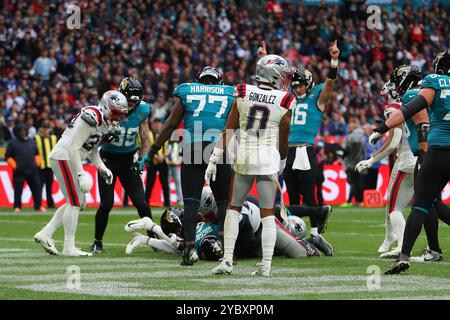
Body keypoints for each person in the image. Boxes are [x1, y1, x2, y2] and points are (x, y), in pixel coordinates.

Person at [205, 54, 294, 276]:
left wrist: (214, 158)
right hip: (267, 159)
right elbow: (284, 137)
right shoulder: (285, 100)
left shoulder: (243, 92)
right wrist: (282, 160)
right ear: (273, 74)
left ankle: (227, 260)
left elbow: (229, 129)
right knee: (267, 215)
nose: (284, 78)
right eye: (282, 74)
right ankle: (266, 265)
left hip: (244, 157)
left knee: (233, 209)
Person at [139, 66, 235, 266]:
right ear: (219, 82)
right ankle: (226, 249)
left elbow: (171, 124)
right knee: (224, 203)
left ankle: (190, 250)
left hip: (193, 147)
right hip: (218, 148)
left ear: (199, 81)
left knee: (191, 203)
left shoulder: (188, 90)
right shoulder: (229, 93)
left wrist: (152, 151)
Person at [369, 49, 450, 274]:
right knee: (434, 203)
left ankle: (404, 255)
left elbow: (412, 110)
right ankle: (432, 249)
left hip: (438, 151)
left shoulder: (434, 82)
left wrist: (382, 128)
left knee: (421, 205)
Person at [34, 90, 128, 256]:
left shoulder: (104, 123)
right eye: (115, 113)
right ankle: (69, 247)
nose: (118, 118)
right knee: (76, 202)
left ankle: (45, 233)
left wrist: (102, 168)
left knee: (77, 201)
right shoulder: (92, 116)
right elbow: (73, 147)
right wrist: (81, 174)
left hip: (68, 158)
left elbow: (91, 150)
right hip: (64, 157)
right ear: (106, 107)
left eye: (121, 114)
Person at [281, 41, 339, 231]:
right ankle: (295, 231)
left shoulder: (317, 97)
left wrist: (334, 61)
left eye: (300, 86)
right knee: (292, 194)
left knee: (309, 194)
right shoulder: (288, 97)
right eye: (295, 86)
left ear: (309, 84)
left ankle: (315, 232)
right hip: (288, 151)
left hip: (305, 150)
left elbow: (330, 83)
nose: (297, 89)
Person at [91, 77, 153, 253]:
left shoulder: (143, 110)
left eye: (136, 100)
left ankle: (154, 239)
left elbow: (146, 139)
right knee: (107, 202)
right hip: (107, 160)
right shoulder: (109, 104)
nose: (132, 104)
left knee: (141, 203)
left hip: (128, 161)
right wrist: (104, 136)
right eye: (130, 100)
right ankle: (97, 241)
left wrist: (141, 160)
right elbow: (94, 137)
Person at [356, 81, 415, 258]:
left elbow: (394, 142)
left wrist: (371, 160)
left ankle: (402, 246)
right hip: (422, 156)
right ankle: (393, 238)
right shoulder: (416, 103)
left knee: (393, 207)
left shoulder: (392, 108)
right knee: (425, 206)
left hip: (406, 158)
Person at [6, 124, 44, 212]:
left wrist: (37, 164)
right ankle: (17, 206)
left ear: (27, 131)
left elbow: (37, 154)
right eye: (21, 131)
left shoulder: (32, 142)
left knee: (37, 188)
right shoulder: (12, 143)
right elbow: (8, 157)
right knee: (18, 190)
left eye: (24, 130)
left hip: (32, 170)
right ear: (17, 132)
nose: (23, 132)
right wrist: (15, 166)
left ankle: (38, 206)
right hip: (19, 171)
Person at [145, 118, 170, 208]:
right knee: (150, 183)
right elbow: (147, 147)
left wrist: (163, 156)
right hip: (153, 161)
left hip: (163, 161)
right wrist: (155, 156)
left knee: (165, 184)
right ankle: (146, 201)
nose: (157, 126)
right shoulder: (149, 134)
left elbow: (169, 148)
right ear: (152, 125)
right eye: (155, 124)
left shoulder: (166, 134)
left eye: (158, 124)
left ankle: (167, 203)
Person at [341, 122, 366, 207]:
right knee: (360, 183)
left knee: (352, 183)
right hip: (361, 163)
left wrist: (342, 156)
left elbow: (346, 151)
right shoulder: (362, 138)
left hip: (351, 164)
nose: (348, 130)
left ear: (352, 129)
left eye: (349, 128)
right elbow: (364, 151)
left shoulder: (349, 138)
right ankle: (360, 201)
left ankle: (349, 201)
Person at [35, 120, 58, 208]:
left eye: (47, 128)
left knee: (49, 186)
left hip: (50, 166)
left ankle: (50, 203)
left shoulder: (53, 138)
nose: (46, 130)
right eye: (44, 128)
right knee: (39, 186)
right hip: (40, 166)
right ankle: (39, 203)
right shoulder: (36, 138)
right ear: (41, 129)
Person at [167, 138, 183, 206]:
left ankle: (179, 200)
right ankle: (168, 199)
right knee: (167, 183)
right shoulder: (167, 144)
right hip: (167, 165)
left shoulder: (178, 144)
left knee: (178, 182)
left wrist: (177, 162)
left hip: (175, 166)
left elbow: (180, 155)